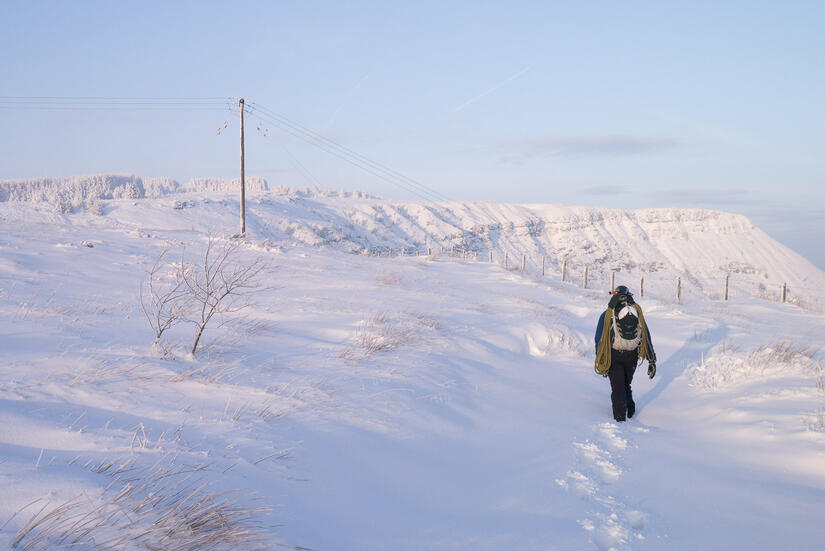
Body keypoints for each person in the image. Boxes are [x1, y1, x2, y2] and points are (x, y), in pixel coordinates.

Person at [594, 285, 656, 422]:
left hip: (613, 355)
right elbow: (646, 337)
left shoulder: (606, 314)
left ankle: (620, 419)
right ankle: (630, 411)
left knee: (618, 388)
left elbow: (599, 338)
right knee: (626, 385)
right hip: (632, 356)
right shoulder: (637, 314)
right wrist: (652, 360)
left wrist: (600, 357)